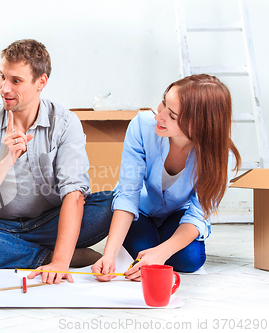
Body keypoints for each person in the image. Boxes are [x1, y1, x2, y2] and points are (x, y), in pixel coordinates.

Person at [0, 39, 113, 284]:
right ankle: (43, 256)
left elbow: (74, 194)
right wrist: (7, 160)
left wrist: (60, 263)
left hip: (50, 223)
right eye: (2, 77)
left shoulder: (64, 123)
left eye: (16, 81)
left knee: (114, 204)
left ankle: (21, 253)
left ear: (41, 82)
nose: (4, 88)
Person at [91, 74, 241, 281]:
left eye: (172, 116)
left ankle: (161, 246)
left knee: (189, 260)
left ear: (199, 127)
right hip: (139, 210)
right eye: (163, 103)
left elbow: (198, 215)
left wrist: (161, 253)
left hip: (177, 214)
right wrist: (109, 255)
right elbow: (128, 193)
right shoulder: (141, 127)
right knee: (142, 250)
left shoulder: (222, 156)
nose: (158, 116)